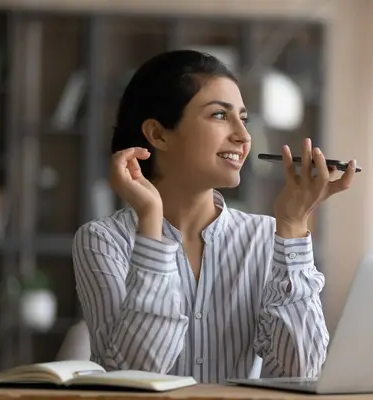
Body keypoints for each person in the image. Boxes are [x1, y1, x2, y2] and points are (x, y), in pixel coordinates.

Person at [72, 50, 357, 384]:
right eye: (220, 115)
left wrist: (293, 226)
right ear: (159, 134)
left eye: (243, 118)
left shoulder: (265, 238)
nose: (243, 136)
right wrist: (151, 223)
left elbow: (301, 374)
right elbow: (132, 378)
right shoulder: (103, 240)